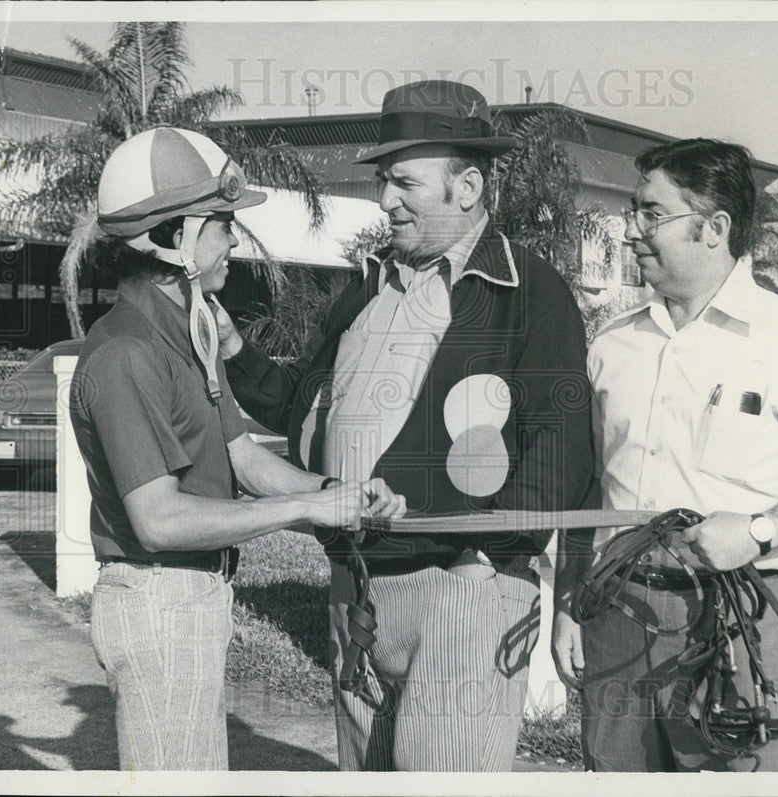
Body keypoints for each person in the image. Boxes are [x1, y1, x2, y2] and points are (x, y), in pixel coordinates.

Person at [214, 80, 595, 771]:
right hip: (354, 585)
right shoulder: (367, 286)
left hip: (461, 589)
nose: (385, 200)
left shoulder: (531, 294)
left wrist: (480, 560)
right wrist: (235, 354)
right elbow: (302, 403)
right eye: (383, 181)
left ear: (469, 185)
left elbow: (560, 455)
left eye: (403, 183)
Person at [551, 138, 778, 772]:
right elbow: (586, 489)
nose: (631, 231)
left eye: (651, 213)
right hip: (618, 617)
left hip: (746, 618)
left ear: (714, 228)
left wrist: (763, 531)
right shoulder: (612, 345)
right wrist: (571, 604)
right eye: (633, 211)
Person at [68, 127, 405, 771]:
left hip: (194, 599)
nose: (233, 241)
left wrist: (337, 495)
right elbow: (160, 521)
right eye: (221, 223)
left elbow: (242, 458)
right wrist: (306, 513)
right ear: (175, 238)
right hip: (159, 600)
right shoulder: (126, 354)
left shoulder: (188, 331)